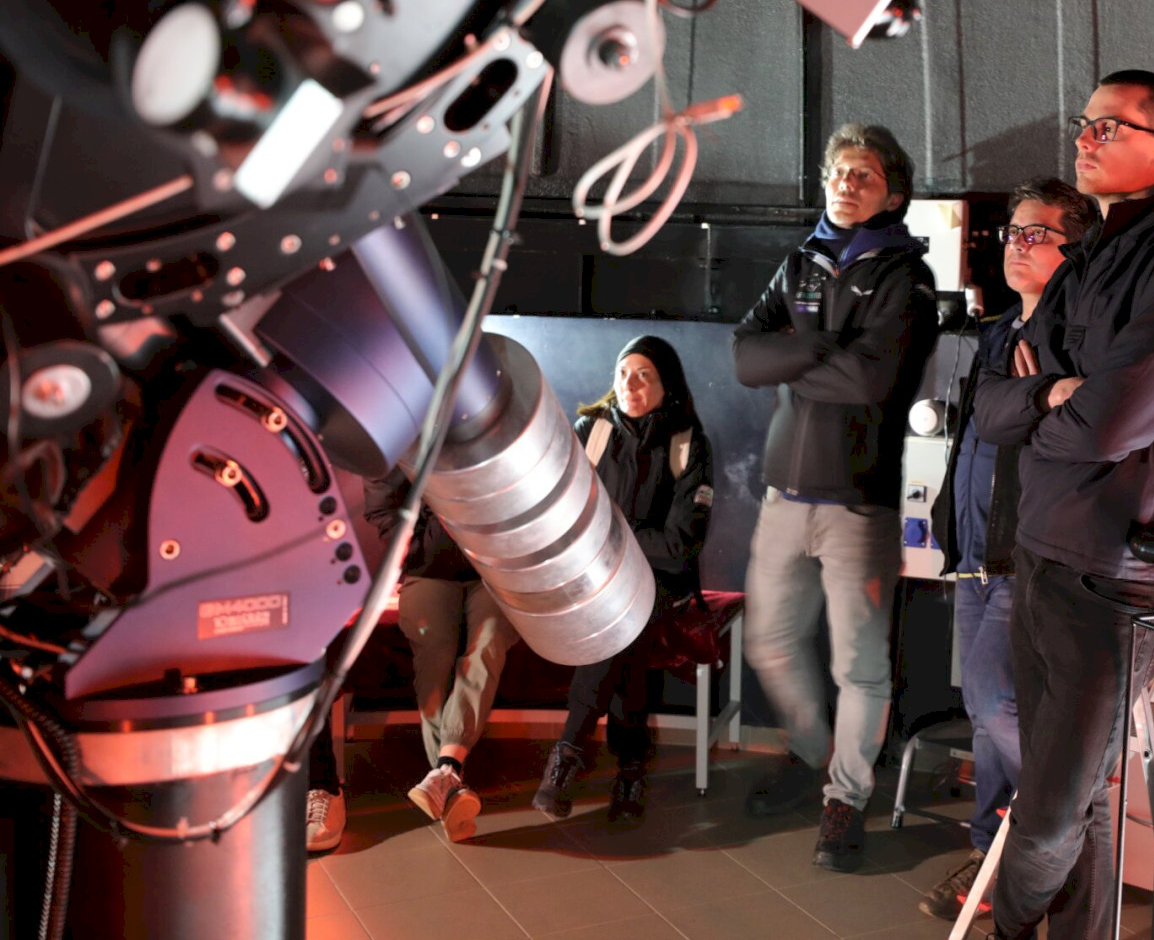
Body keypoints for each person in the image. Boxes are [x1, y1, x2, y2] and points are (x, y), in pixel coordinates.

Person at [973, 70, 1154, 940]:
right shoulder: (1093, 252)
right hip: (1041, 550)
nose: (1084, 138)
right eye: (1085, 123)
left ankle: (1005, 931)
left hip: (1116, 571)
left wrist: (1054, 401)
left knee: (1050, 815)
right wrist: (1053, 395)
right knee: (1079, 796)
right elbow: (991, 408)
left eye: (1109, 126)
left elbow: (1109, 425)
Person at [732, 123, 939, 872]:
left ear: (894, 194)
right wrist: (823, 348)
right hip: (783, 498)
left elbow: (871, 382)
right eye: (840, 172)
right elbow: (743, 356)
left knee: (861, 669)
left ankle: (844, 801)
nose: (847, 184)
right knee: (768, 643)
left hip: (859, 504)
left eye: (865, 175)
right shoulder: (800, 262)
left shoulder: (907, 278)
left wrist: (793, 355)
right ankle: (817, 753)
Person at [917, 178, 1097, 920]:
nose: (1015, 246)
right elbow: (987, 425)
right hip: (973, 551)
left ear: (1076, 249)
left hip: (1028, 553)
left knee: (995, 699)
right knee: (984, 714)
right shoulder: (997, 335)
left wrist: (1037, 397)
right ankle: (994, 852)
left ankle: (1069, 816)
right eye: (1011, 233)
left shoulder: (1078, 336)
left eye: (1036, 234)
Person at [531, 335, 714, 825]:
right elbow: (562, 518)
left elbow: (679, 546)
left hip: (660, 582)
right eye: (623, 374)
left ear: (666, 385)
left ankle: (569, 750)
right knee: (620, 625)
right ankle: (631, 766)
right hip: (594, 576)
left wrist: (609, 531)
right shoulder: (590, 432)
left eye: (644, 375)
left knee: (623, 618)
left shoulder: (688, 443)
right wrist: (612, 540)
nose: (630, 384)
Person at [364, 467, 520, 842]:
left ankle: (444, 774)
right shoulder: (403, 443)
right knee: (434, 652)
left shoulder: (494, 435)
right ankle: (451, 780)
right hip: (427, 570)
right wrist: (427, 543)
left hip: (495, 571)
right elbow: (382, 508)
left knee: (487, 642)